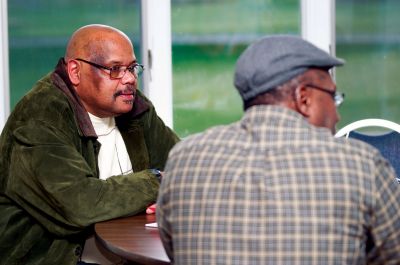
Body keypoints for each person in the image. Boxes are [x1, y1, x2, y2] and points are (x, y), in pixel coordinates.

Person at [157, 35, 400, 264]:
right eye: (333, 97)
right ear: (303, 98)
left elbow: (174, 247)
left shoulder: (184, 158)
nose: (337, 114)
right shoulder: (362, 164)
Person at [0, 24, 179, 265]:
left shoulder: (131, 104)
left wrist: (171, 186)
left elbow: (180, 164)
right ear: (75, 71)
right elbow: (82, 204)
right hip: (52, 257)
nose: (129, 79)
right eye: (115, 69)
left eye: (132, 68)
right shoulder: (39, 118)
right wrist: (157, 181)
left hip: (125, 248)